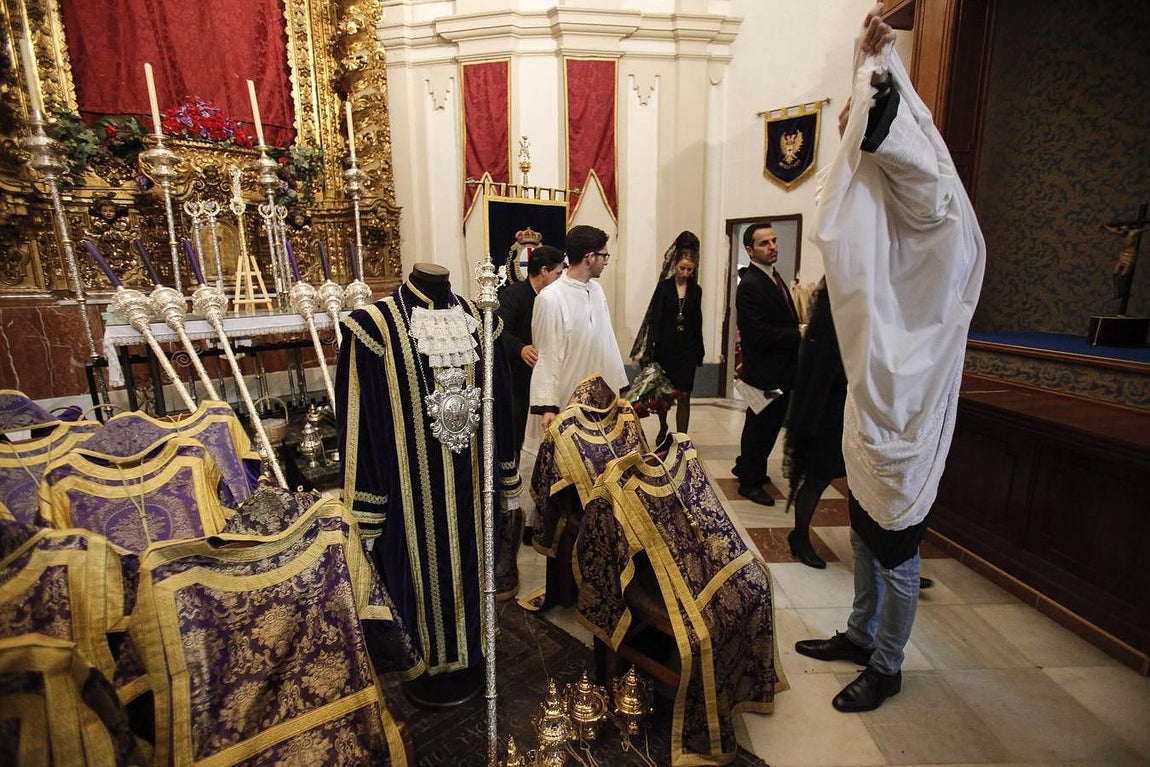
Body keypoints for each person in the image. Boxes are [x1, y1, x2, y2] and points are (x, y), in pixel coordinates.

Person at [795, 3, 985, 713]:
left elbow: (905, 164)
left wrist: (877, 81)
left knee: (898, 542)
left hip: (912, 396)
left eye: (860, 121)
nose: (848, 126)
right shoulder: (890, 197)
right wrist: (866, 74)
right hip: (874, 388)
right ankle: (857, 631)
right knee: (866, 525)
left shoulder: (937, 212)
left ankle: (889, 660)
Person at [530, 225, 629, 430]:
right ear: (590, 257)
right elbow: (547, 355)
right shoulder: (550, 298)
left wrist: (619, 388)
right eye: (605, 256)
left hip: (599, 397)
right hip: (567, 397)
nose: (606, 262)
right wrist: (548, 405)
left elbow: (607, 340)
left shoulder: (597, 290)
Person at [731, 222, 802, 507]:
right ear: (750, 250)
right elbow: (758, 334)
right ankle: (749, 482)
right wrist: (798, 332)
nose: (772, 247)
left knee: (766, 426)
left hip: (778, 371)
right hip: (764, 375)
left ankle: (747, 467)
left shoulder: (771, 275)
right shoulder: (750, 284)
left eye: (773, 241)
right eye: (764, 243)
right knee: (761, 427)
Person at [781, 277, 842, 569]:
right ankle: (800, 535)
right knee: (817, 476)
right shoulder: (827, 321)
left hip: (855, 410)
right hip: (826, 410)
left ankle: (881, 552)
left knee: (864, 484)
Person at [631, 231, 705, 444]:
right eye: (682, 268)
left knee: (684, 396)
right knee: (663, 397)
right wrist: (650, 349)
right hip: (665, 349)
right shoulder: (664, 288)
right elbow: (655, 320)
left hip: (687, 351)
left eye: (690, 269)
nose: (686, 273)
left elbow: (697, 321)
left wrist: (699, 350)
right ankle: (664, 426)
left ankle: (682, 438)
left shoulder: (696, 290)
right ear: (675, 265)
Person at [497, 244, 566, 459]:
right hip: (518, 379)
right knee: (518, 431)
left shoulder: (558, 297)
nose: (561, 277)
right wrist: (520, 348)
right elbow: (498, 331)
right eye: (558, 273)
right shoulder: (513, 295)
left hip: (549, 375)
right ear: (544, 271)